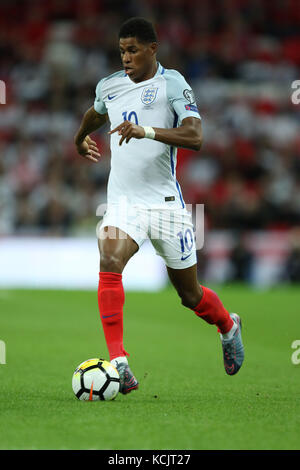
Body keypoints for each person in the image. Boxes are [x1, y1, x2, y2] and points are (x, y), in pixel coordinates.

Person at [74, 17, 244, 394]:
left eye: (133, 50)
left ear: (153, 48)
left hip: (166, 206)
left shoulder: (173, 84)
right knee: (109, 260)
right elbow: (96, 112)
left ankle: (228, 326)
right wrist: (80, 137)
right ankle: (119, 362)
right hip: (122, 203)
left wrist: (146, 131)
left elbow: (195, 136)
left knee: (190, 295)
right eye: (122, 51)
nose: (126, 58)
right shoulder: (110, 86)